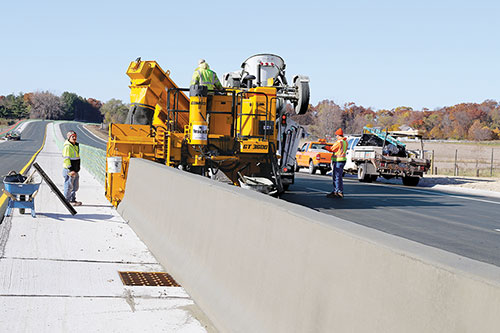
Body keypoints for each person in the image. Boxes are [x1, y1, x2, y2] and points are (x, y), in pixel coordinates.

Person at [326, 128, 348, 198]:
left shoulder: (339, 142)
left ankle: (336, 191)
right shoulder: (345, 142)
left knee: (336, 176)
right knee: (339, 176)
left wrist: (325, 147)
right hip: (342, 160)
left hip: (338, 160)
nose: (336, 137)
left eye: (336, 135)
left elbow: (332, 149)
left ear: (338, 135)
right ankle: (339, 191)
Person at [62, 130, 82, 206]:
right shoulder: (67, 146)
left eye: (75, 136)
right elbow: (66, 159)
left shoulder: (75, 145)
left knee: (75, 186)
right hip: (70, 170)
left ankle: (73, 199)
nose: (74, 138)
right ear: (69, 137)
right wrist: (71, 170)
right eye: (72, 136)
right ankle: (67, 201)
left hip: (75, 170)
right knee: (69, 185)